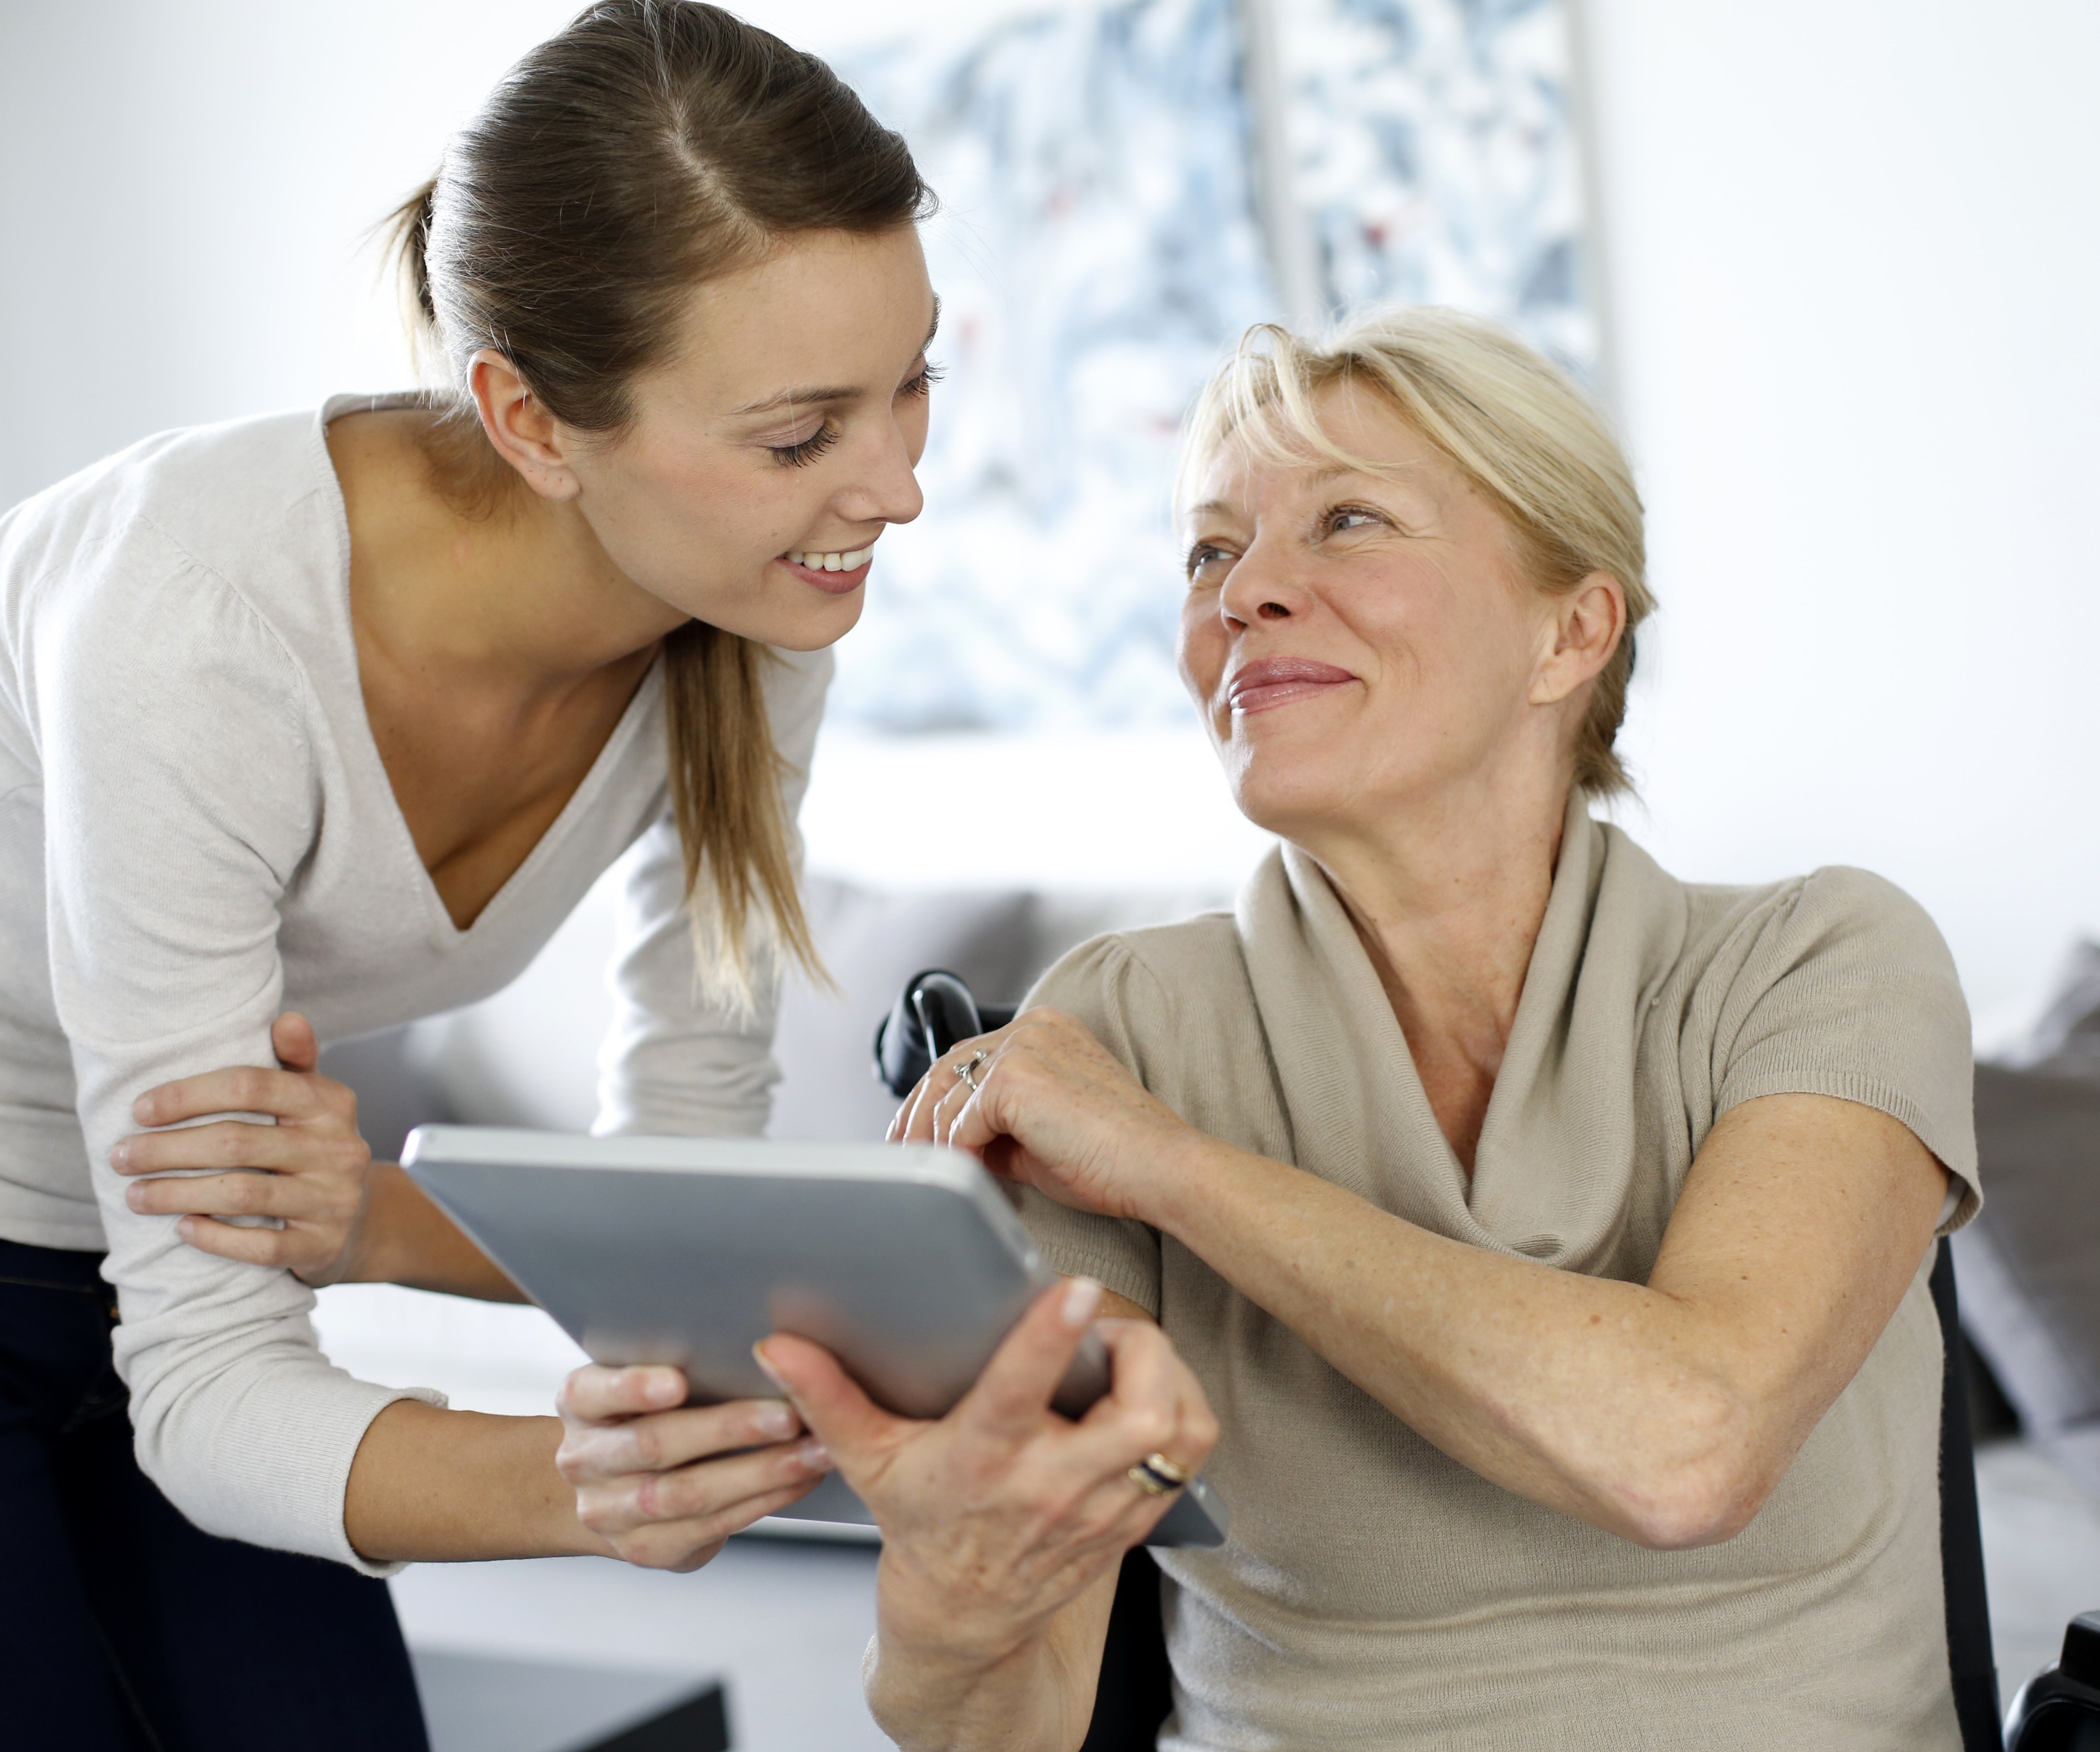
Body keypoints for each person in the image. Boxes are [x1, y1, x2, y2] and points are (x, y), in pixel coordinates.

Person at [0, 5, 978, 1745]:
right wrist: (594, 1488)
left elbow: (678, 1193)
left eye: (916, 377)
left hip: (176, 1248)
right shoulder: (198, 623)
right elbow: (211, 1388)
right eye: (801, 435)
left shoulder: (755, 613)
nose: (899, 487)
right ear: (533, 422)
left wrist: (386, 1224)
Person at [763, 308, 1983, 1750]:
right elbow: (1014, 1722)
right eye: (1212, 550)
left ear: (1570, 631)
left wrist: (1171, 1168)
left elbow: (1684, 1449)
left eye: (1347, 522)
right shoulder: (1126, 1027)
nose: (1249, 593)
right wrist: (946, 1604)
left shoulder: (1822, 959)